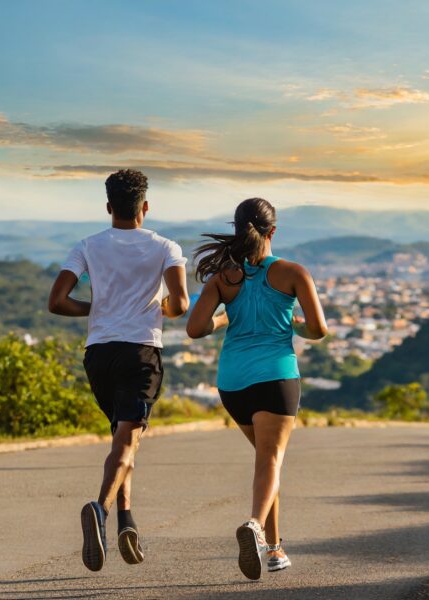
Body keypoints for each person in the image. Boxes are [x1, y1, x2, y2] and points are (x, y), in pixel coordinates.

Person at [48, 169, 189, 572]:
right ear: (145, 207)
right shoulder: (166, 247)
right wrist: (159, 307)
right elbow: (179, 304)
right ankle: (102, 509)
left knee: (122, 438)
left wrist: (98, 308)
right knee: (127, 442)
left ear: (109, 207)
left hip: (99, 355)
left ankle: (128, 520)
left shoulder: (88, 245)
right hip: (141, 353)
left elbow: (57, 301)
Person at [186, 198, 327, 580]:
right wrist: (293, 323)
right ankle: (254, 526)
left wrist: (224, 318)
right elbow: (318, 330)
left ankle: (275, 549)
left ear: (237, 229)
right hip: (276, 378)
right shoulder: (293, 273)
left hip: (233, 384)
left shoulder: (224, 277)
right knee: (270, 461)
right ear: (272, 231)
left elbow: (195, 328)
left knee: (269, 462)